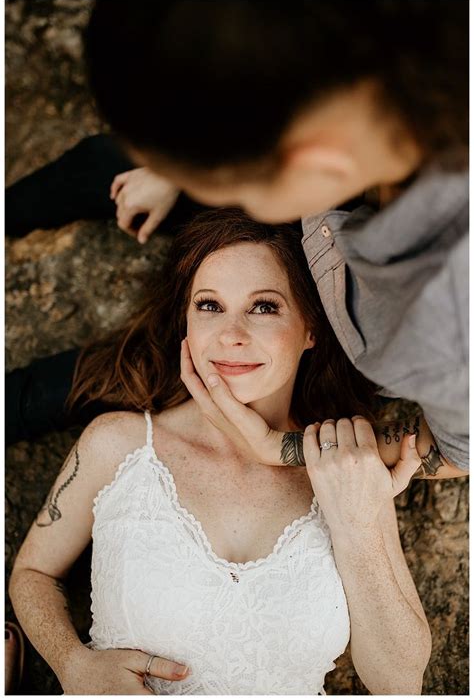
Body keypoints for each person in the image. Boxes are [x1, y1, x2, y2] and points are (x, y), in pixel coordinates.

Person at [9, 209, 431, 695]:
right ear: (186, 323)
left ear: (311, 330)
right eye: (209, 305)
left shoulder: (345, 464)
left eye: (264, 307)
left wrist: (358, 523)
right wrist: (71, 663)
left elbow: (400, 683)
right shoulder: (119, 444)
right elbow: (33, 572)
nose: (232, 333)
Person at [81, 0, 468, 477]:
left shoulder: (445, 337)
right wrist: (187, 161)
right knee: (94, 169)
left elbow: (457, 450)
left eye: (234, 188)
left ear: (312, 164)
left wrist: (281, 447)